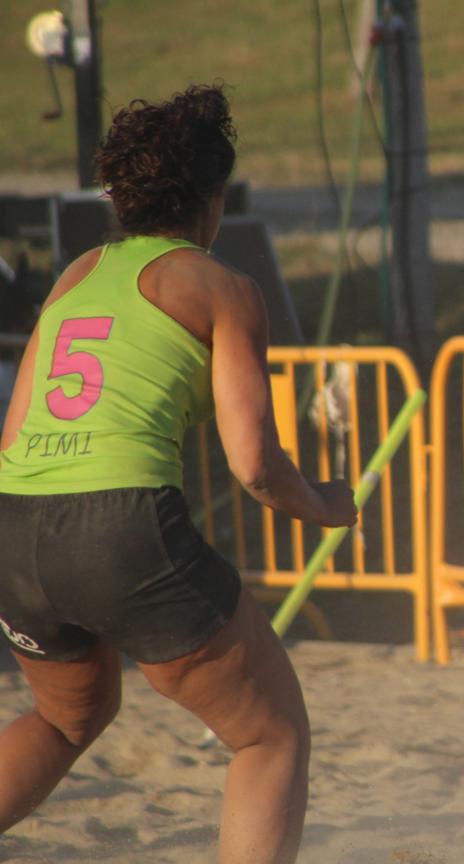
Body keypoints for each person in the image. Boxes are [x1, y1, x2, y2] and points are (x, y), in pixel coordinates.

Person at [0, 84, 356, 863]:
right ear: (211, 196)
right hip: (119, 526)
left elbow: (16, 432)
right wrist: (324, 506)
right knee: (271, 735)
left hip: (17, 526)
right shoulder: (223, 287)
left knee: (65, 719)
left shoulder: (76, 275)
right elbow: (255, 465)